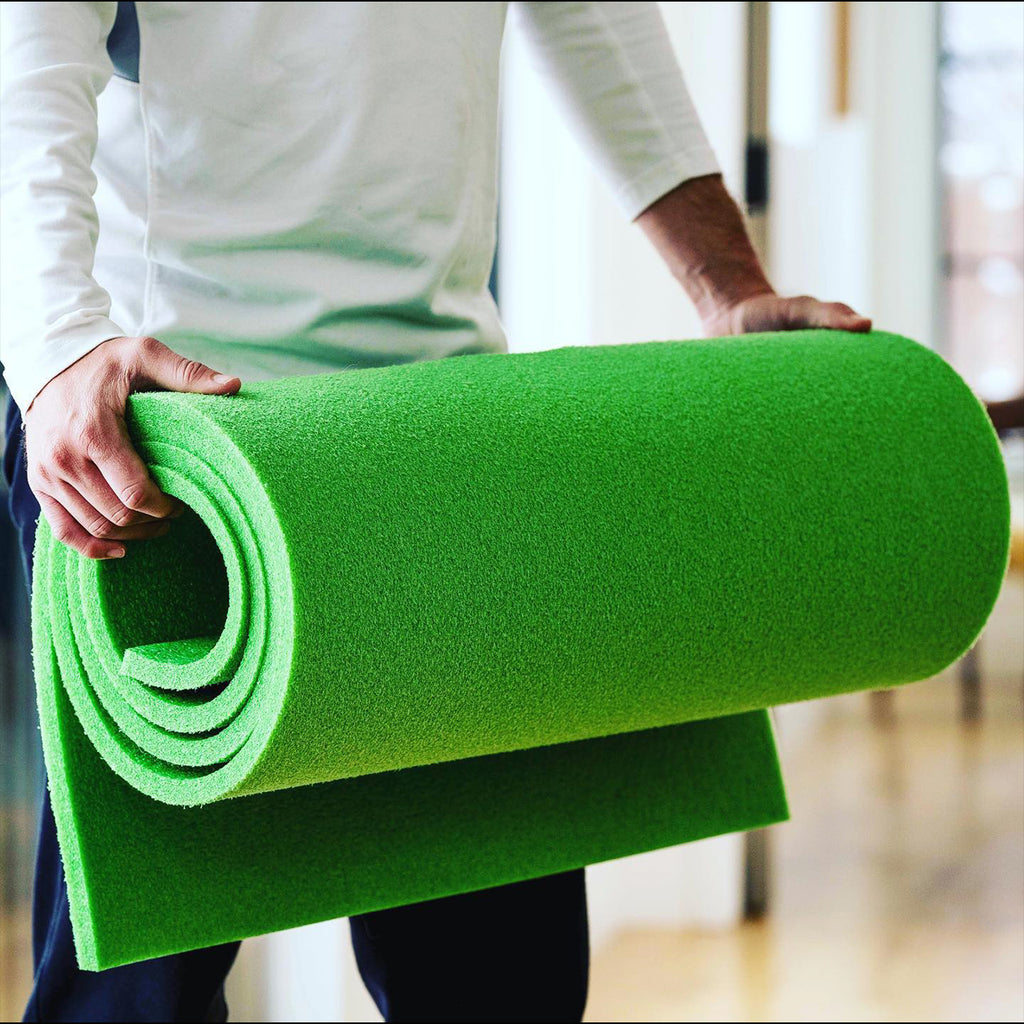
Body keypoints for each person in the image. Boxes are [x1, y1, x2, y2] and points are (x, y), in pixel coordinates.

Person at [0, 3, 871, 1021]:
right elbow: (29, 44)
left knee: (501, 984)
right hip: (171, 442)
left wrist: (727, 287)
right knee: (135, 997)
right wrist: (56, 343)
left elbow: (594, 14)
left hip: (432, 436)